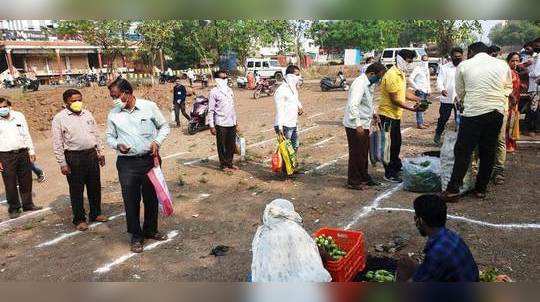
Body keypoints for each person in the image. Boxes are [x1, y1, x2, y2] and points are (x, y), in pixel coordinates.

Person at [442, 42, 513, 201]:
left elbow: (460, 92)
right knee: (488, 151)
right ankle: (481, 189)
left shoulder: (464, 65)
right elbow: (507, 88)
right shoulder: (502, 64)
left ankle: (453, 190)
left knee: (463, 151)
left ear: (472, 51)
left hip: (473, 113)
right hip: (496, 112)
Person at [106, 79, 170, 253]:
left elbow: (164, 126)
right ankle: (136, 235)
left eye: (116, 96)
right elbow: (110, 137)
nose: (114, 100)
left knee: (150, 198)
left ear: (127, 92)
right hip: (127, 164)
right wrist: (117, 144)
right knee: (131, 201)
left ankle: (151, 229)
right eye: (112, 96)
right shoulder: (113, 114)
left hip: (150, 160)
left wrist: (157, 141)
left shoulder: (149, 106)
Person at [52, 89, 108, 231]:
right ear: (66, 102)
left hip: (91, 155)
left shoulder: (87, 114)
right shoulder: (59, 118)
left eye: (79, 100)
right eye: (73, 100)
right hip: (74, 157)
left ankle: (96, 213)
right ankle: (79, 219)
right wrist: (62, 163)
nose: (77, 103)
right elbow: (57, 143)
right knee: (77, 189)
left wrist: (100, 153)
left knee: (94, 186)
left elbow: (96, 134)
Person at [397, 194, 479, 282]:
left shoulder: (436, 253)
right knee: (405, 263)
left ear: (420, 220)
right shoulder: (451, 236)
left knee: (404, 273)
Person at [378, 49, 421, 183]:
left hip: (395, 115)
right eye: (408, 61)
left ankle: (396, 166)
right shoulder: (392, 75)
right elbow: (395, 99)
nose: (410, 64)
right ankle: (389, 173)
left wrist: (417, 99)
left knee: (397, 142)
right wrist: (412, 108)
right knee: (389, 145)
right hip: (387, 115)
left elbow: (403, 93)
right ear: (401, 59)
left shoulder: (400, 74)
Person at [343, 62, 387, 190]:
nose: (379, 80)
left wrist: (373, 113)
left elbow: (368, 101)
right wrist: (358, 125)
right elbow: (353, 105)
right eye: (379, 77)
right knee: (356, 152)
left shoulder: (369, 83)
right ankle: (353, 181)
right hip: (355, 125)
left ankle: (363, 176)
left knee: (363, 152)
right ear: (371, 73)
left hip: (364, 122)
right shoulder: (359, 84)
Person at [0, 97, 43, 219]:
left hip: (23, 152)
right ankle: (14, 208)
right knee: (10, 182)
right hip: (5, 155)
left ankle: (28, 204)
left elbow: (26, 133)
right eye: (0, 108)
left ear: (9, 106)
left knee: (26, 179)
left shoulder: (19, 116)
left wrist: (31, 150)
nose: (2, 109)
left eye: (4, 106)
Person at [274, 65, 304, 177]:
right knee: (286, 150)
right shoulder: (281, 90)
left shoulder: (292, 89)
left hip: (293, 123)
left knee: (294, 147)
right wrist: (280, 127)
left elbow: (295, 99)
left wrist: (300, 106)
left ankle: (291, 167)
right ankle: (286, 171)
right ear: (290, 76)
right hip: (284, 125)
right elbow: (280, 110)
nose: (298, 77)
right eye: (296, 74)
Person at [207, 70, 238, 172]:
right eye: (222, 78)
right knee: (222, 145)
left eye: (225, 78)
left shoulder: (229, 90)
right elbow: (210, 110)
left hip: (231, 121)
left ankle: (229, 162)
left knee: (231, 144)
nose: (225, 80)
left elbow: (232, 107)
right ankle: (223, 164)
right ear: (217, 79)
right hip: (220, 122)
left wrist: (236, 121)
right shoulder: (214, 92)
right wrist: (211, 125)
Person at [434, 47, 463, 144]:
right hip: (447, 98)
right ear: (451, 57)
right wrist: (442, 89)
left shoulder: (464, 67)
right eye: (455, 56)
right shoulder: (445, 68)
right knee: (443, 118)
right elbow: (439, 81)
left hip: (460, 99)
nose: (457, 58)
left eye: (459, 56)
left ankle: (459, 139)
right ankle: (438, 134)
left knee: (459, 119)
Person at [409, 55, 431, 129]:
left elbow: (428, 80)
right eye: (424, 60)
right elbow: (410, 79)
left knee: (424, 106)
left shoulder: (426, 69)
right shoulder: (417, 68)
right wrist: (417, 88)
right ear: (421, 60)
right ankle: (419, 123)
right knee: (420, 106)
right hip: (420, 91)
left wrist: (429, 89)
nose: (425, 62)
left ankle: (421, 122)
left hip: (425, 90)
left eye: (426, 60)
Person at [525, 37, 540, 137]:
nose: (534, 48)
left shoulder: (538, 57)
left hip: (535, 87)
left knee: (533, 108)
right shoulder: (534, 57)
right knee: (533, 108)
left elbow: (536, 73)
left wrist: (527, 72)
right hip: (534, 86)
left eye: (536, 46)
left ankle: (532, 129)